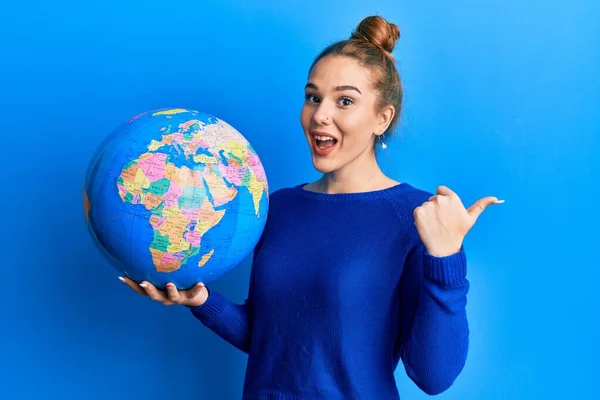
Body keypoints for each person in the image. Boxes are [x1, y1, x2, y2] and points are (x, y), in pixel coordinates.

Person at [120, 15, 503, 399]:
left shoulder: (417, 217)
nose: (320, 115)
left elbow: (433, 376)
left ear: (382, 118)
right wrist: (202, 302)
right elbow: (272, 342)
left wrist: (446, 258)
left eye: (345, 101)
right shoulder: (276, 208)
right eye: (313, 97)